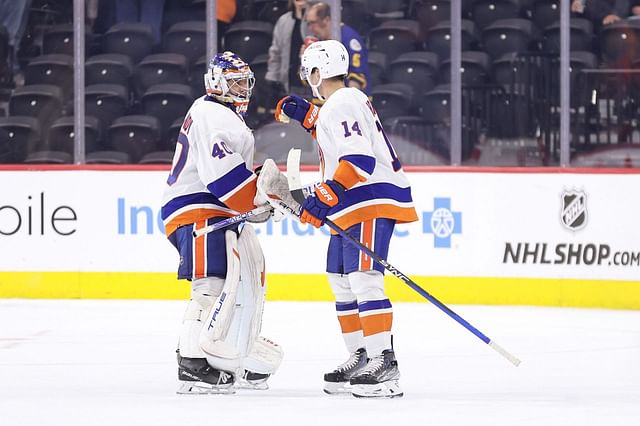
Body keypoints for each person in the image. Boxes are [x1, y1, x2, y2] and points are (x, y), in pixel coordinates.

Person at [274, 40, 418, 398]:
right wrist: (308, 116)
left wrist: (325, 193)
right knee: (340, 278)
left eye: (308, 70)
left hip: (369, 199)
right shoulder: (341, 103)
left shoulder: (344, 101)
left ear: (317, 72)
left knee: (365, 279)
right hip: (351, 203)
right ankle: (361, 355)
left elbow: (359, 160)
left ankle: (384, 362)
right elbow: (337, 136)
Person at [161, 51, 283, 394]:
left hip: (212, 209)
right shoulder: (214, 115)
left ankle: (219, 352)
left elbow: (234, 172)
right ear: (216, 83)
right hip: (199, 209)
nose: (243, 88)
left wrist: (261, 190)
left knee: (232, 284)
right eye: (235, 82)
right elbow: (222, 178)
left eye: (246, 81)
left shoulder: (220, 114)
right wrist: (256, 201)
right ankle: (191, 362)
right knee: (209, 286)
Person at [304, 2, 370, 95]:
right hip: (323, 101)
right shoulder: (316, 43)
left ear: (326, 20)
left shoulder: (349, 39)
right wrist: (305, 61)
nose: (310, 28)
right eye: (308, 24)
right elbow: (308, 80)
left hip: (346, 102)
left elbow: (357, 76)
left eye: (313, 23)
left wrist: (348, 100)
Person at [265, 0, 308, 96]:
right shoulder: (283, 21)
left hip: (312, 83)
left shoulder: (315, 19)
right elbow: (276, 51)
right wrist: (273, 76)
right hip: (290, 82)